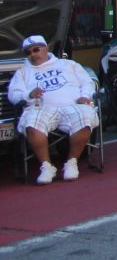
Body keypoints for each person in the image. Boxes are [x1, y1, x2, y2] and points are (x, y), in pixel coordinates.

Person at [7, 35, 99, 184]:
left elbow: (87, 82)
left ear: (46, 48)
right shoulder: (23, 72)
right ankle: (46, 166)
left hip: (72, 104)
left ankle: (71, 162)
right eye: (28, 52)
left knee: (85, 117)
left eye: (36, 49)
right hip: (41, 108)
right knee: (31, 124)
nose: (33, 54)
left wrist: (85, 96)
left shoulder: (68, 64)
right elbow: (14, 94)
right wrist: (28, 94)